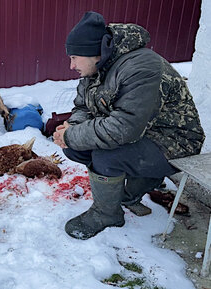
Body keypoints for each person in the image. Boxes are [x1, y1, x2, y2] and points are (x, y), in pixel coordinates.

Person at [53, 11, 205, 240]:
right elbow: (83, 107)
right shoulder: (98, 67)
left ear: (94, 52)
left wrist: (73, 134)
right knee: (75, 146)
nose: (71, 65)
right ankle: (132, 188)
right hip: (144, 136)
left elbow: (123, 128)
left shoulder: (141, 68)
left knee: (106, 156)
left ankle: (108, 213)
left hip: (175, 142)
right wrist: (70, 130)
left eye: (74, 57)